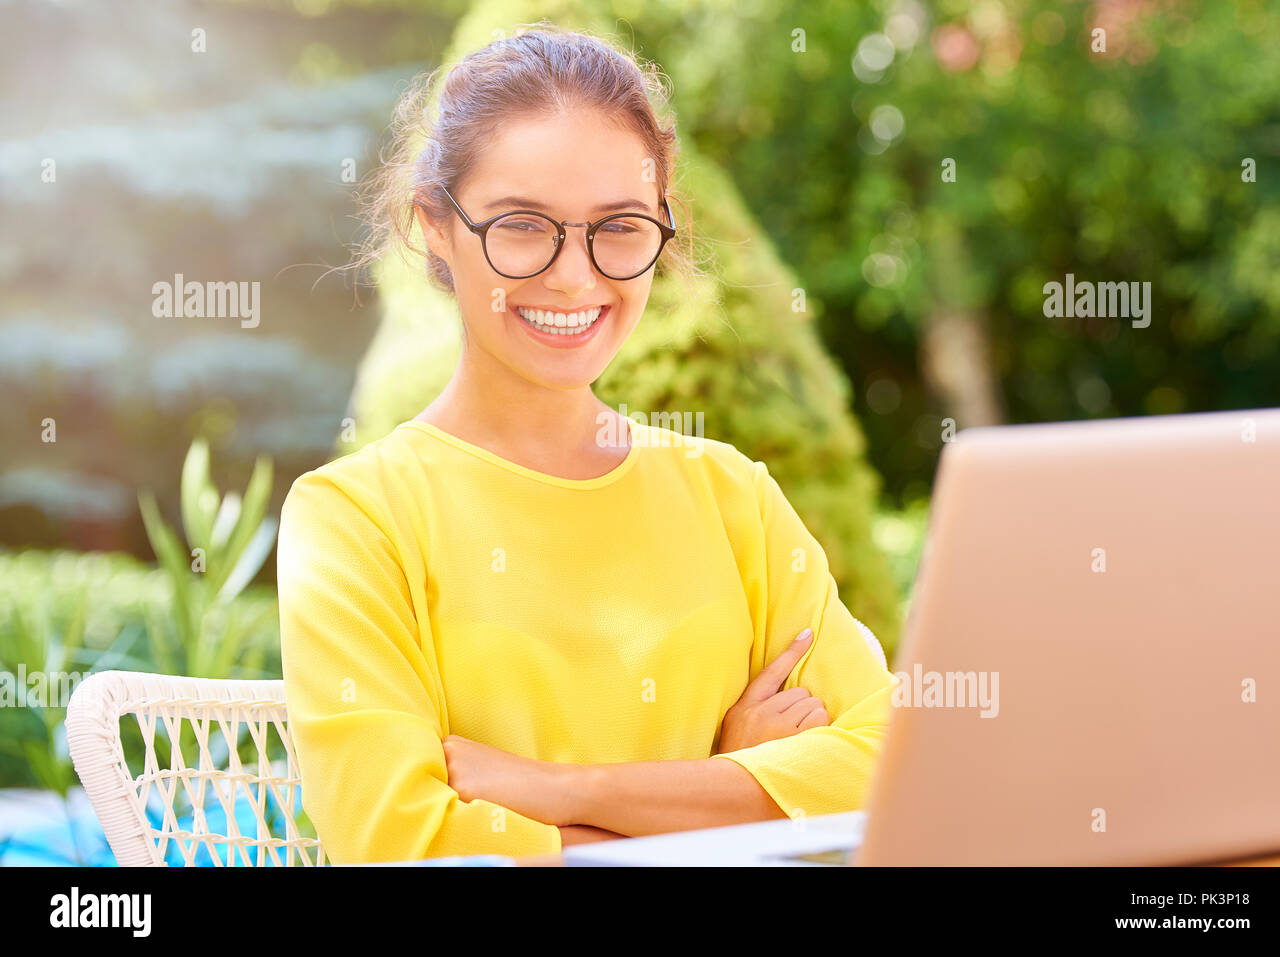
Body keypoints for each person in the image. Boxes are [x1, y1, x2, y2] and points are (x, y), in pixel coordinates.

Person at [277, 25, 894, 864]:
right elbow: (403, 844)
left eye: (621, 227)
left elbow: (893, 768)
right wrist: (726, 790)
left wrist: (571, 790)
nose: (576, 277)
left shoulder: (731, 497)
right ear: (436, 229)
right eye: (525, 226)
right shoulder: (356, 519)